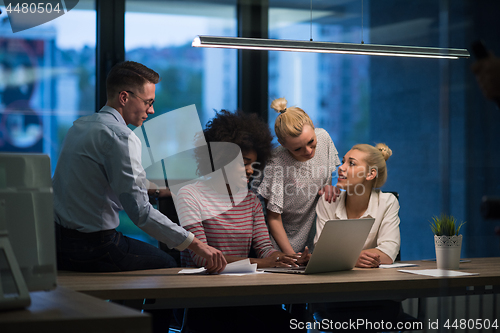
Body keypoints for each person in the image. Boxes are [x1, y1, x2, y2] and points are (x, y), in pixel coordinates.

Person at [53, 61, 226, 274]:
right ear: (124, 98)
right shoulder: (121, 137)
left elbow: (108, 181)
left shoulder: (80, 127)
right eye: (148, 102)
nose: (151, 110)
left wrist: (161, 190)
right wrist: (197, 245)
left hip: (59, 244)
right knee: (170, 265)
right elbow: (141, 213)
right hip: (95, 248)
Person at [174, 110, 305, 333]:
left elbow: (265, 248)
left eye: (253, 163)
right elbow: (201, 257)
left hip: (245, 294)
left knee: (292, 326)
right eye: (243, 162)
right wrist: (265, 263)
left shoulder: (251, 201)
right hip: (204, 299)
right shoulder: (189, 195)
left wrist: (288, 259)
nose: (250, 170)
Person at [312, 143, 402, 331]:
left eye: (351, 163)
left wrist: (343, 257)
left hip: (376, 298)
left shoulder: (387, 202)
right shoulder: (328, 202)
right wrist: (356, 257)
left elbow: (387, 253)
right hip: (334, 299)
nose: (341, 168)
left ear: (370, 174)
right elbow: (322, 253)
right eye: (343, 161)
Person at [256, 97, 341, 255]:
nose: (308, 151)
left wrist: (329, 189)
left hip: (314, 235)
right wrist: (291, 256)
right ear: (282, 144)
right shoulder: (275, 162)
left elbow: (325, 187)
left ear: (314, 128)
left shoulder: (324, 138)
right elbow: (273, 218)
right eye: (297, 149)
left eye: (311, 141)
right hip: (282, 244)